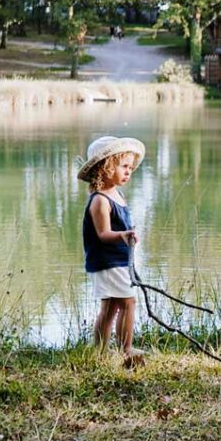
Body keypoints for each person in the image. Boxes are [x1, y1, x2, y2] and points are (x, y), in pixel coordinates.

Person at [77, 135, 146, 367]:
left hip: (119, 260)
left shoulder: (117, 194)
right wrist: (124, 235)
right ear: (105, 168)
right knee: (128, 302)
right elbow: (103, 234)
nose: (128, 172)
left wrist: (128, 236)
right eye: (123, 166)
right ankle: (126, 349)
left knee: (112, 306)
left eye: (130, 167)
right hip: (107, 261)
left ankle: (99, 350)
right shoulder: (100, 201)